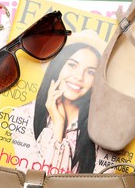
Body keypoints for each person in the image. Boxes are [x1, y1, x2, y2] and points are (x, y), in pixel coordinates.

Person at [11, 30, 107, 173]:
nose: (79, 77)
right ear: (58, 66)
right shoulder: (23, 115)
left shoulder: (102, 127)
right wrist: (58, 124)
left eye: (90, 72)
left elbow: (101, 187)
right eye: (72, 65)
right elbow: (37, 178)